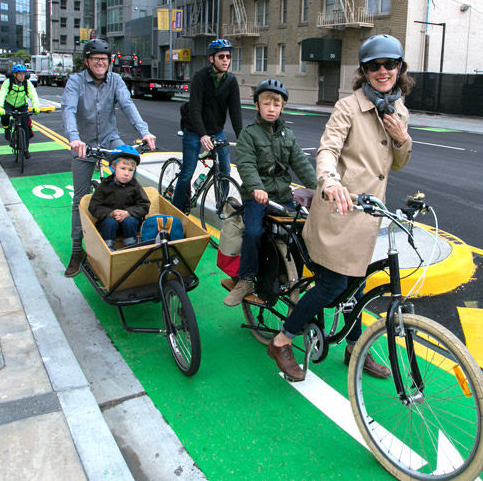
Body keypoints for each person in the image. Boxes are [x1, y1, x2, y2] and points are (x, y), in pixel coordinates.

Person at [264, 34, 413, 382]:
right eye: (374, 66)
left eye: (389, 64)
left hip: (368, 214)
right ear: (363, 70)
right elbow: (326, 149)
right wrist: (329, 181)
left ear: (399, 68)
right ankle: (282, 340)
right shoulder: (348, 107)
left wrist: (402, 138)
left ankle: (354, 349)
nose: (382, 71)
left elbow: (400, 163)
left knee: (358, 287)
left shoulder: (399, 109)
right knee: (332, 287)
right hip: (338, 212)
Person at [61, 38, 157, 277]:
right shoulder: (75, 82)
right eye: (95, 59)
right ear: (87, 62)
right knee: (80, 198)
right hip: (83, 144)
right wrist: (74, 139)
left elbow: (127, 105)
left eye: (104, 59)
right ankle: (76, 250)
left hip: (109, 138)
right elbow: (69, 110)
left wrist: (144, 132)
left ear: (109, 61)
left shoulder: (115, 80)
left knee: (128, 167)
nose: (100, 63)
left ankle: (127, 232)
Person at [224, 79, 316, 307]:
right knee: (253, 231)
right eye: (267, 104)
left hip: (283, 196)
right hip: (256, 196)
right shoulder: (249, 134)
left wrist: (321, 188)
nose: (272, 109)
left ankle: (291, 272)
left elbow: (301, 164)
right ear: (257, 106)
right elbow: (246, 164)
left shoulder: (288, 135)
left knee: (303, 227)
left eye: (276, 105)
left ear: (283, 107)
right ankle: (245, 279)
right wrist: (256, 188)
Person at [171, 38, 243, 212]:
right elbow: (194, 109)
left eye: (228, 56)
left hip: (217, 131)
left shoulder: (231, 82)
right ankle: (176, 210)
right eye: (221, 56)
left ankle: (222, 207)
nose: (225, 60)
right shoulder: (200, 78)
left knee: (225, 171)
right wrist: (202, 134)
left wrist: (242, 138)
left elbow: (235, 114)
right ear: (212, 59)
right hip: (194, 131)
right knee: (188, 171)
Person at [88, 146, 150, 250]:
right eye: (122, 168)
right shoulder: (105, 184)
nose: (126, 173)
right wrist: (110, 213)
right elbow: (94, 206)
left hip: (130, 222)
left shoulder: (135, 185)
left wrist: (128, 212)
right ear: (113, 167)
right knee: (109, 222)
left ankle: (131, 247)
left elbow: (144, 205)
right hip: (109, 222)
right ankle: (108, 249)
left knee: (130, 221)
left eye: (130, 170)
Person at [0, 63, 41, 157]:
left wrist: (36, 106)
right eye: (19, 74)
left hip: (21, 104)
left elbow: (33, 95)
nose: (22, 76)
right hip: (9, 103)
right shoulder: (8, 82)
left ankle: (25, 149)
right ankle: (7, 129)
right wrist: (0, 107)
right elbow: (2, 94)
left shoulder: (27, 83)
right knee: (4, 115)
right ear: (14, 74)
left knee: (25, 126)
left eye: (23, 74)